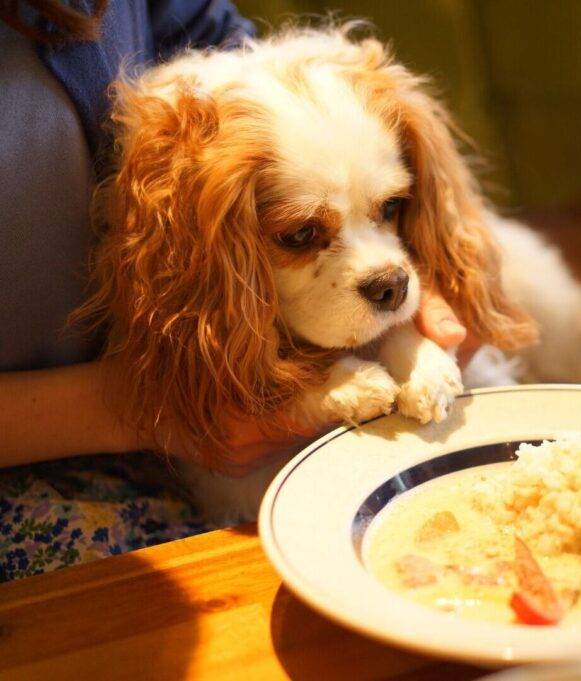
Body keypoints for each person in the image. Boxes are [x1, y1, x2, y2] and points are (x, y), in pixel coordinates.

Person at [0, 0, 471, 580]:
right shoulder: (202, 241)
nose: (383, 264)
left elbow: (210, 37)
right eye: (301, 234)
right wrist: (141, 407)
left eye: (390, 209)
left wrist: (424, 313)